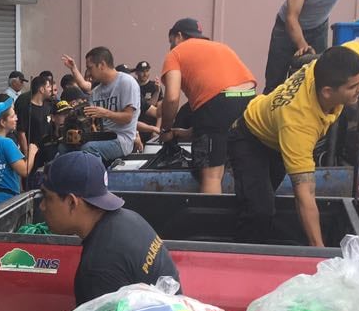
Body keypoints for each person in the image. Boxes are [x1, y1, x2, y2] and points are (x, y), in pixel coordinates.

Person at [229, 42, 359, 246]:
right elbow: (305, 195)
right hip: (249, 139)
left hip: (277, 136)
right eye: (353, 86)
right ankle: (240, 256)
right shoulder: (299, 123)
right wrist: (320, 252)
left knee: (265, 202)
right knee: (259, 211)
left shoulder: (332, 67)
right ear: (327, 92)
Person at [39, 152, 178, 305]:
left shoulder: (98, 269)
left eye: (47, 198)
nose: (42, 206)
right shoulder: (130, 218)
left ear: (72, 202)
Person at [159, 18, 257, 195]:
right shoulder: (221, 47)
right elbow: (223, 108)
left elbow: (172, 98)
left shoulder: (176, 53)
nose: (171, 46)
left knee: (212, 176)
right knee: (241, 167)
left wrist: (165, 130)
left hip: (218, 103)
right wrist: (190, 132)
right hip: (249, 100)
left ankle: (211, 213)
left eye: (171, 41)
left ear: (178, 36)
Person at [61, 47, 141, 162]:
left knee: (88, 149)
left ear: (102, 65)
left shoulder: (127, 82)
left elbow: (128, 118)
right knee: (63, 148)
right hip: (100, 137)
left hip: (121, 139)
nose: (89, 73)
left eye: (90, 68)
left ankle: (96, 173)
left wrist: (105, 113)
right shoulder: (96, 91)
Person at [14, 74, 52, 159]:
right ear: (41, 89)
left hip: (47, 150)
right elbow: (21, 132)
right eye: (48, 87)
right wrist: (27, 154)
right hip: (33, 152)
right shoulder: (26, 109)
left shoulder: (48, 105)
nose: (51, 89)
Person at [133, 61, 162, 141]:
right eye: (142, 71)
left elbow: (159, 111)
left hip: (151, 128)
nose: (145, 74)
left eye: (147, 71)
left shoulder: (154, 86)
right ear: (136, 73)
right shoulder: (133, 86)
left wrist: (156, 129)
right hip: (136, 128)